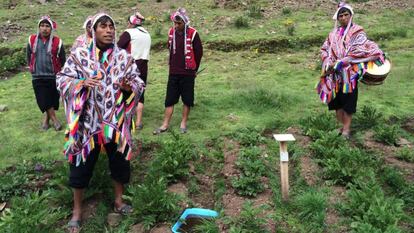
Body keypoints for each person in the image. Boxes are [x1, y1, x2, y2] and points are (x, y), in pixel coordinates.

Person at [56, 13, 145, 233]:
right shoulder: (79, 56)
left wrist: (129, 88)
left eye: (111, 26)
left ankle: (119, 201)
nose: (108, 30)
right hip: (87, 125)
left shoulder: (123, 57)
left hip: (115, 123)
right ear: (92, 31)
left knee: (120, 162)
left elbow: (138, 82)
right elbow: (61, 79)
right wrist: (81, 83)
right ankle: (77, 212)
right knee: (79, 165)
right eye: (103, 26)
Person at [317, 2, 384, 139]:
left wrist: (343, 61)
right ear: (337, 18)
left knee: (348, 102)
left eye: (346, 15)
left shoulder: (358, 32)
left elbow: (360, 49)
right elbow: (324, 49)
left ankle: (347, 130)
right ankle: (341, 127)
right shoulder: (332, 34)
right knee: (336, 102)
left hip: (349, 74)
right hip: (334, 75)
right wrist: (329, 61)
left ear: (351, 16)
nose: (343, 18)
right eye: (340, 15)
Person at [153, 8, 203, 134]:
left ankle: (183, 123)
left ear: (184, 22)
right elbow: (170, 48)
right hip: (174, 72)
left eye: (179, 23)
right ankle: (165, 124)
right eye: (174, 23)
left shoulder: (193, 33)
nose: (176, 26)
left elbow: (199, 52)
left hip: (188, 73)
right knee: (169, 99)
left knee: (187, 99)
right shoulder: (171, 33)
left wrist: (194, 70)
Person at [27, 15, 65, 131]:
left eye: (47, 26)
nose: (44, 28)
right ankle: (55, 120)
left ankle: (46, 120)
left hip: (53, 75)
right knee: (43, 99)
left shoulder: (57, 42)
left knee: (52, 99)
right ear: (38, 27)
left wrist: (60, 71)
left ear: (51, 28)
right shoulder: (32, 40)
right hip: (37, 75)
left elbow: (62, 58)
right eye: (42, 26)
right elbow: (29, 56)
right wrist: (33, 67)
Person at [118, 11, 151, 130]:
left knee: (126, 91)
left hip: (131, 65)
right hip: (144, 65)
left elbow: (118, 48)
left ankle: (126, 119)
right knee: (140, 92)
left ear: (131, 22)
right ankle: (138, 122)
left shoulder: (129, 33)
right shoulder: (147, 34)